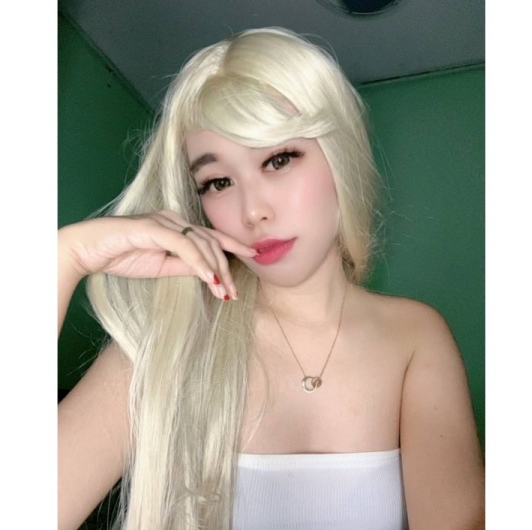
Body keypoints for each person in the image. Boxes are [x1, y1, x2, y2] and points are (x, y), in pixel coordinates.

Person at [58, 27, 484, 529]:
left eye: (278, 159)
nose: (252, 211)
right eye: (218, 181)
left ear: (340, 155)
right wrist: (64, 257)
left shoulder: (414, 336)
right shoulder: (168, 338)